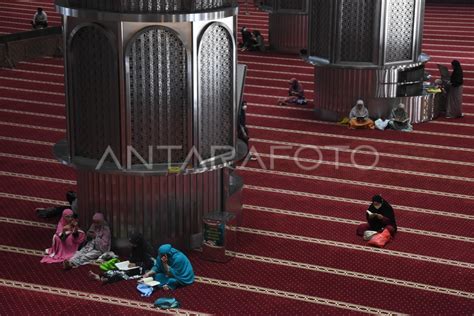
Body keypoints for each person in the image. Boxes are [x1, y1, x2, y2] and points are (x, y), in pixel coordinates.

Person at [88, 232, 153, 284]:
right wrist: (129, 262)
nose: (132, 245)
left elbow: (149, 263)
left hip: (141, 268)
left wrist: (136, 264)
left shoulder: (146, 249)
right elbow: (133, 258)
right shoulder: (134, 247)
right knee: (116, 269)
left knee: (123, 273)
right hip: (132, 266)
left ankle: (107, 279)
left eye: (133, 243)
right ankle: (99, 276)